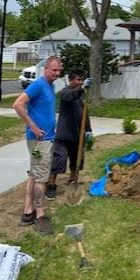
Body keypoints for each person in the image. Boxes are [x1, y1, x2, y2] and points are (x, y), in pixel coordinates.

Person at [12, 55, 63, 235]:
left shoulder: (51, 85)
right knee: (42, 178)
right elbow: (17, 104)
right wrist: (32, 125)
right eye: (53, 70)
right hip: (39, 140)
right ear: (45, 69)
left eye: (59, 71)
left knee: (35, 173)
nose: (57, 74)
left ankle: (27, 212)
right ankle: (40, 214)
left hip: (45, 138)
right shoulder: (39, 85)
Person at [45, 69, 93, 200]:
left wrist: (88, 129)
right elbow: (70, 96)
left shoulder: (82, 97)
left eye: (82, 80)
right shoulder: (65, 93)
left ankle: (73, 180)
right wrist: (81, 88)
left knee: (76, 159)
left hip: (78, 134)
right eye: (77, 80)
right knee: (59, 160)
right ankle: (51, 185)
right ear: (70, 80)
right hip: (64, 135)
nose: (80, 82)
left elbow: (85, 114)